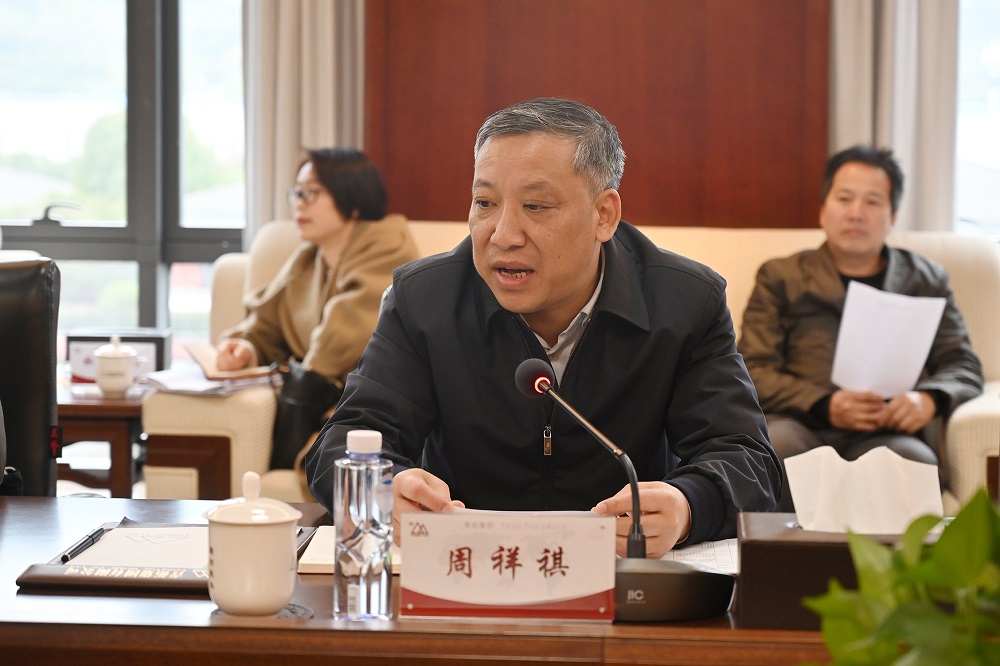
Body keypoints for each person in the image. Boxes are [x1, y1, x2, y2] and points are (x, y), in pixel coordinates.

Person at [305, 98, 780, 557]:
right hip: (466, 569)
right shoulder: (424, 299)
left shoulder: (685, 302)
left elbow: (747, 459)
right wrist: (384, 490)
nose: (503, 235)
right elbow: (344, 441)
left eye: (535, 206)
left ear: (604, 215)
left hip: (619, 574)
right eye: (485, 202)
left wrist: (688, 505)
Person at [737, 145, 984, 512]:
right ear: (823, 210)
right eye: (844, 198)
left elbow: (963, 365)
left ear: (892, 216)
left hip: (886, 430)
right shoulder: (781, 277)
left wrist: (928, 399)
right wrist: (824, 404)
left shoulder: (926, 280)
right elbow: (752, 369)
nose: (856, 213)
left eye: (872, 202)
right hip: (798, 423)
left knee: (913, 462)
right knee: (776, 449)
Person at [215, 147, 419, 387]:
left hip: (375, 398)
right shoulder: (308, 258)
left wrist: (303, 383)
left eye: (310, 193)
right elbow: (269, 323)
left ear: (353, 198)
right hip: (323, 394)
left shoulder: (389, 246)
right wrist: (246, 348)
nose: (298, 205)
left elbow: (340, 340)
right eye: (296, 193)